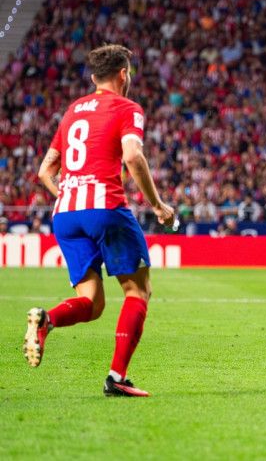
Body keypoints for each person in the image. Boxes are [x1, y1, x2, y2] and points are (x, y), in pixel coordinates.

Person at [27, 44, 175, 397]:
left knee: (92, 304)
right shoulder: (127, 108)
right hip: (105, 207)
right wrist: (157, 204)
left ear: (94, 77)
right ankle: (117, 377)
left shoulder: (72, 111)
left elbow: (45, 170)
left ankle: (46, 319)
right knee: (138, 290)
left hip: (65, 213)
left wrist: (69, 191)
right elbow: (134, 157)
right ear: (124, 74)